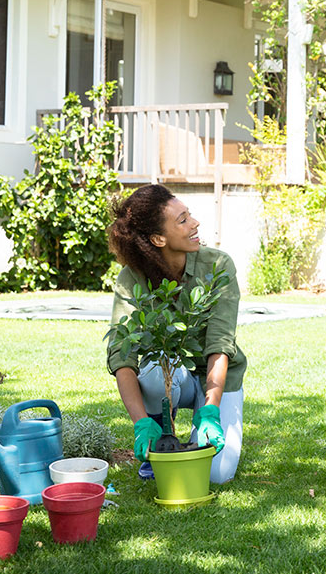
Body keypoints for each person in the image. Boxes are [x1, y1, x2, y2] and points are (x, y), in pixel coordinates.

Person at [105, 184, 246, 484]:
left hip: (217, 377)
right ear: (158, 238)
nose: (194, 223)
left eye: (189, 215)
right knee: (155, 369)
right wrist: (140, 422)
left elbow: (220, 342)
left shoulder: (218, 266)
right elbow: (122, 354)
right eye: (182, 220)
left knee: (217, 475)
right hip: (171, 376)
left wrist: (210, 410)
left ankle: (201, 425)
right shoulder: (132, 278)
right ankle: (160, 441)